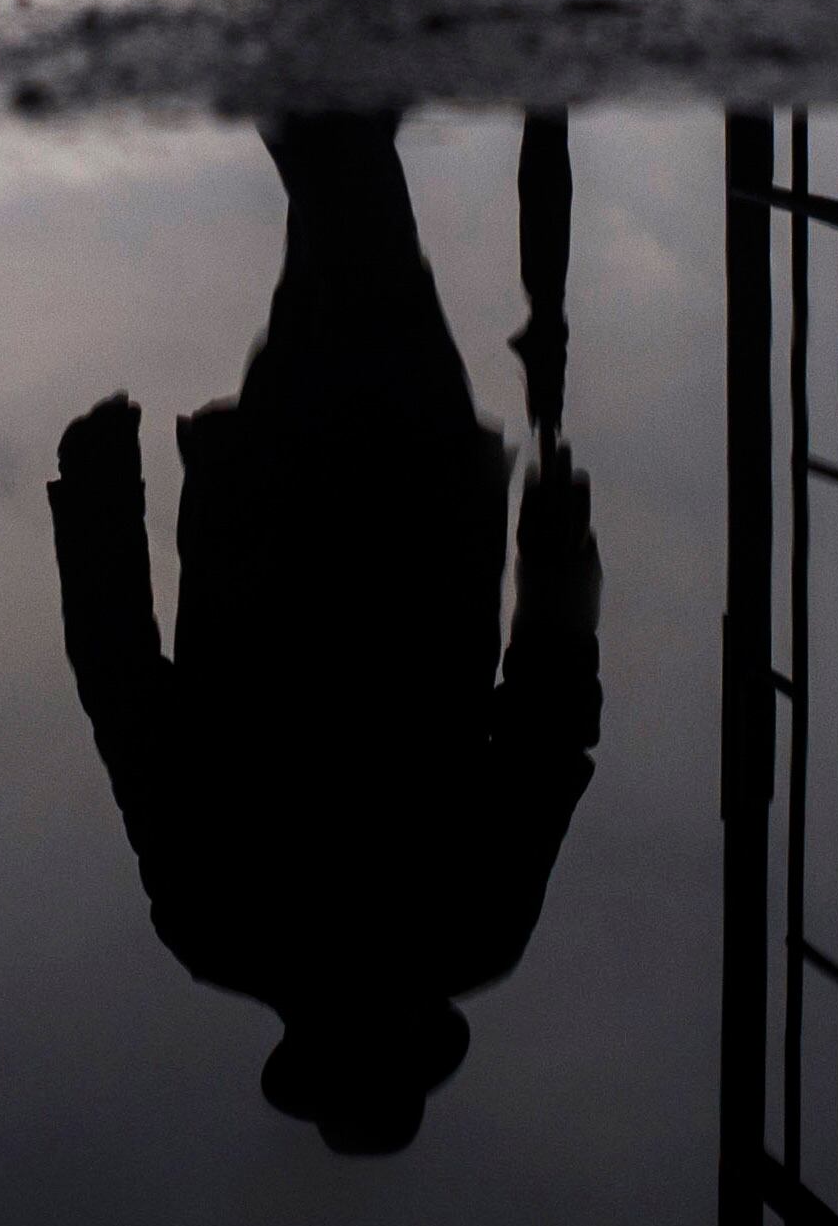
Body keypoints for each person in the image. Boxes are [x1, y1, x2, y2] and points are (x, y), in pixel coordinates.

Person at [46, 112, 603, 1156]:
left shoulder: (457, 929)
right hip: (312, 511)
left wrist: (560, 557)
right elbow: (123, 690)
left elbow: (546, 724)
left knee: (352, 234)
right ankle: (325, 60)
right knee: (350, 232)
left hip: (394, 509)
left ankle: (327, 54)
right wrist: (97, 497)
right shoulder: (222, 925)